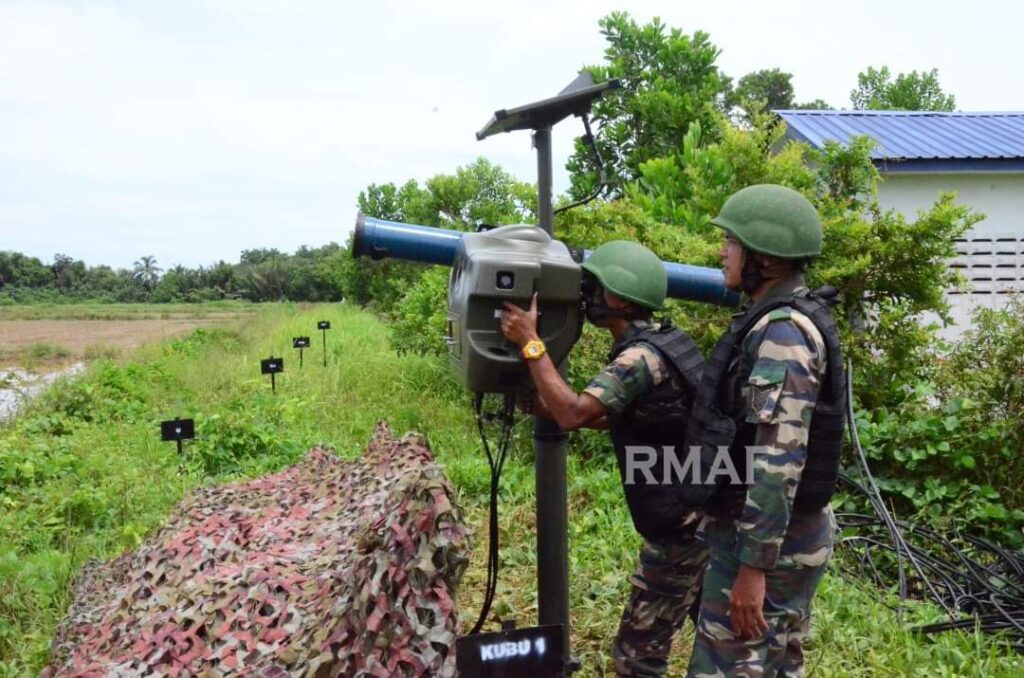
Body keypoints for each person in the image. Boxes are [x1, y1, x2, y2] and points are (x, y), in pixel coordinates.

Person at [500, 240, 707, 677]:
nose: (588, 297)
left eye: (594, 288)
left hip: (680, 532)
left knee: (637, 658)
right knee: (721, 640)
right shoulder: (667, 342)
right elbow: (629, 419)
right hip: (706, 519)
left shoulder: (639, 358)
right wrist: (544, 405)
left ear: (617, 299)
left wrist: (531, 342)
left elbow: (575, 414)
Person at [683, 184, 847, 677]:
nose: (722, 252)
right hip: (783, 537)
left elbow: (778, 459)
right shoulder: (779, 319)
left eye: (731, 243)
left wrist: (753, 567)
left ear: (767, 261)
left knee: (727, 664)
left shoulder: (783, 335)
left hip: (770, 547)